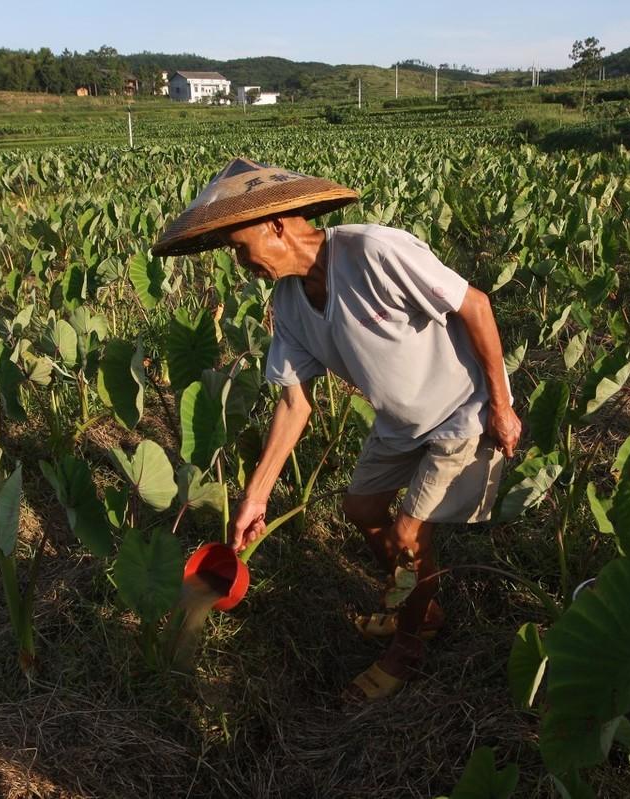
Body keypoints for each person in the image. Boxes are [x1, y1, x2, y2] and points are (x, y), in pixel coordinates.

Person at [152, 158, 521, 700]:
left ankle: (410, 644)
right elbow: (294, 402)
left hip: (459, 411)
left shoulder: (373, 252)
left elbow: (476, 306)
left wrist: (501, 404)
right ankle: (421, 602)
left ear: (274, 226)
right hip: (399, 423)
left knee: (408, 534)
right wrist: (256, 497)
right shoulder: (288, 302)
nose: (239, 264)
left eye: (238, 247)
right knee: (362, 511)